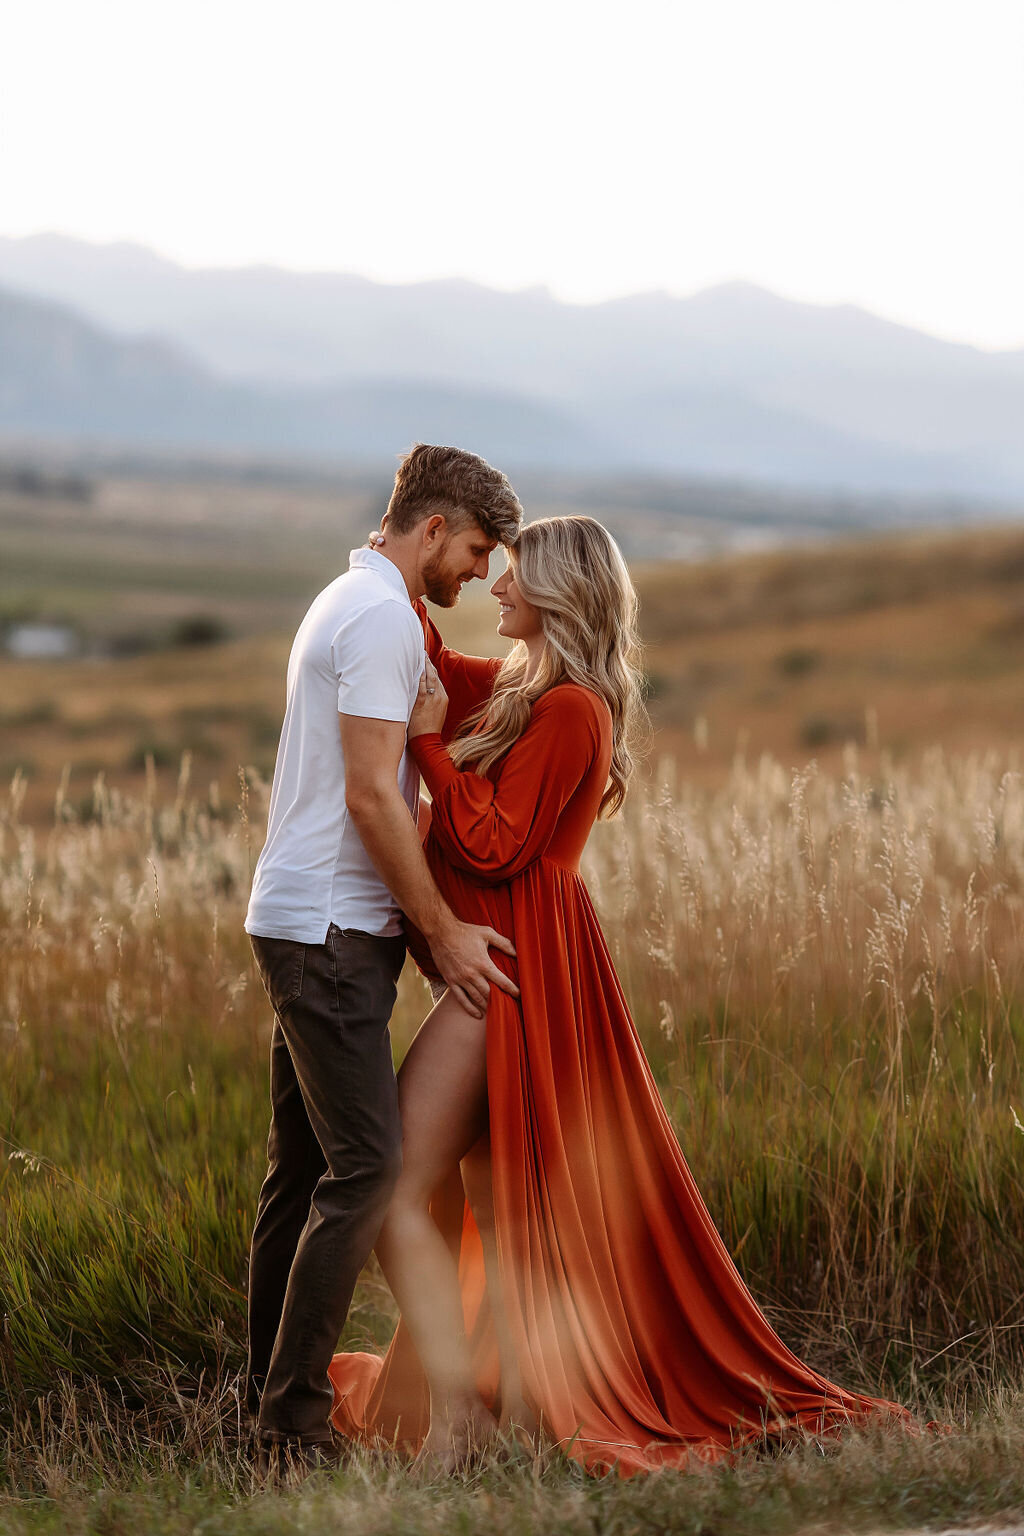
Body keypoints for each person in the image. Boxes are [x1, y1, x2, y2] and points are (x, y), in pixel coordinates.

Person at [328, 514, 912, 1476]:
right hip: (509, 968)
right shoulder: (522, 691)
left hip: (521, 977)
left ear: (560, 593)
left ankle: (464, 1418)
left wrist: (429, 751)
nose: (494, 589)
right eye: (489, 568)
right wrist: (390, 558)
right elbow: (429, 648)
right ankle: (494, 1405)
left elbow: (493, 844)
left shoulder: (573, 712)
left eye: (511, 577)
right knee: (496, 1205)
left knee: (395, 1185)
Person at [242, 443, 523, 1468]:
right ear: (435, 526)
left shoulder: (356, 604)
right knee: (367, 1172)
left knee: (304, 1175)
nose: (482, 578)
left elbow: (371, 786)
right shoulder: (374, 620)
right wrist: (441, 933)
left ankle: (263, 1410)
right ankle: (293, 1431)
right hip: (327, 933)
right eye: (479, 551)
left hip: (313, 924)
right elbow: (370, 793)